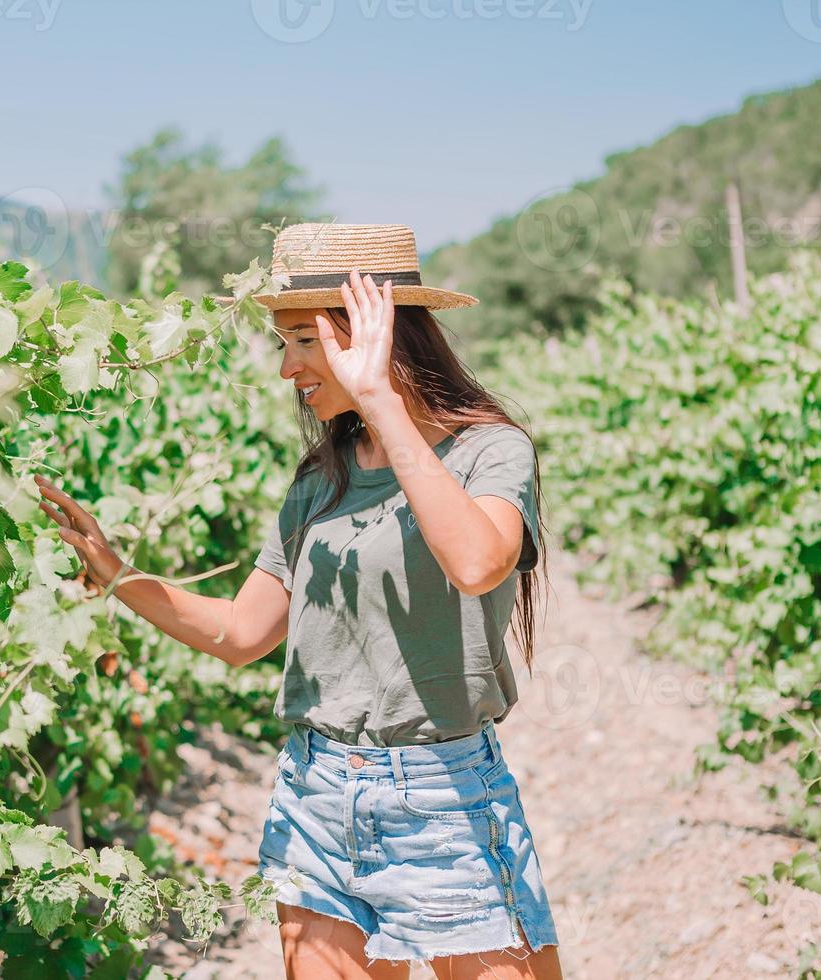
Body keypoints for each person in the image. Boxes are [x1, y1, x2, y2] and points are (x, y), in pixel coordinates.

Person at [35, 223, 562, 979]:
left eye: (300, 342)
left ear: (371, 333)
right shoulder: (322, 480)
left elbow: (478, 563)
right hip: (317, 793)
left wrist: (382, 402)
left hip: (444, 800)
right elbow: (241, 632)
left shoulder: (489, 451)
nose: (287, 370)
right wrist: (118, 575)